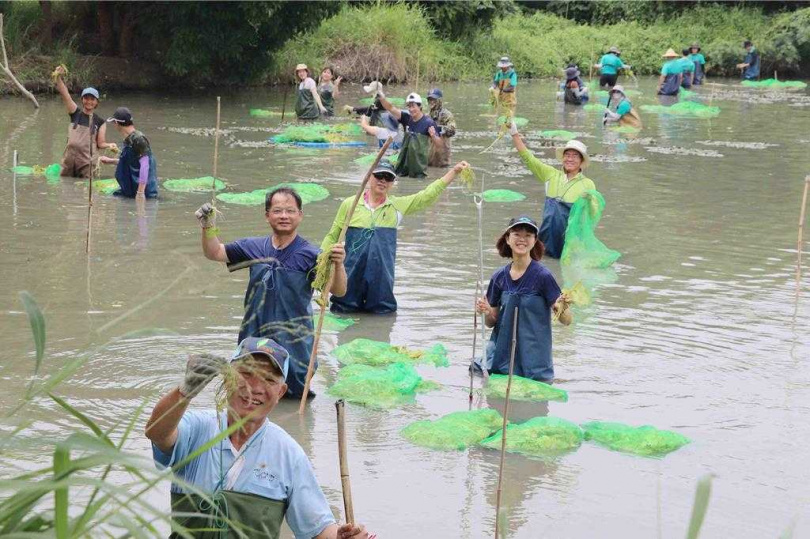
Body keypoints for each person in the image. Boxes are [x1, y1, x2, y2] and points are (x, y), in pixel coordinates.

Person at [145, 337, 370, 539]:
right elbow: (156, 432)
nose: (255, 388)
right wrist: (185, 392)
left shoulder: (288, 454)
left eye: (269, 379)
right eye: (246, 373)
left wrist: (341, 537)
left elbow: (318, 529)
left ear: (281, 392)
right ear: (226, 379)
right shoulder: (197, 428)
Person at [196, 188, 347, 398]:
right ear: (267, 216)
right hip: (253, 338)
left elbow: (338, 291)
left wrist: (338, 265)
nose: (284, 216)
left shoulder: (313, 256)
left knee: (291, 399)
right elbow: (215, 252)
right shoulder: (253, 247)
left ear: (300, 215)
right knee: (247, 397)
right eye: (277, 211)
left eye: (290, 211)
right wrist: (208, 226)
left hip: (295, 345)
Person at [322, 159, 468, 314]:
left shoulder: (397, 206)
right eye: (379, 176)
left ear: (393, 183)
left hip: (381, 279)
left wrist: (454, 172)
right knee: (342, 312)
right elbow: (332, 237)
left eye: (389, 177)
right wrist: (320, 269)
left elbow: (426, 196)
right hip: (349, 276)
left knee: (382, 318)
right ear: (369, 176)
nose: (383, 180)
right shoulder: (350, 204)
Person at [475, 216, 572, 383]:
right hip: (501, 362)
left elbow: (567, 320)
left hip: (535, 367)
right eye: (517, 234)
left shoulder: (543, 276)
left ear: (535, 241)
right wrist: (485, 311)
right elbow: (491, 322)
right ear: (507, 238)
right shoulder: (499, 277)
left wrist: (561, 307)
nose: (522, 239)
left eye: (528, 235)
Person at [509, 121, 596, 259]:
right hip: (546, 239)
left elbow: (591, 215)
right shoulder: (551, 175)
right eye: (567, 155)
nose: (570, 159)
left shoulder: (588, 184)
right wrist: (514, 134)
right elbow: (528, 158)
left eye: (575, 156)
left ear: (581, 161)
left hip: (570, 244)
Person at [52, 65, 115, 178]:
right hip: (69, 159)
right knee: (65, 186)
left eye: (92, 99)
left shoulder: (100, 122)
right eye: (86, 98)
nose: (89, 102)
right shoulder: (75, 112)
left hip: (88, 162)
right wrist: (58, 77)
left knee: (86, 189)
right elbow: (65, 94)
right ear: (82, 99)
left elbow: (100, 143)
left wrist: (109, 145)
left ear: (96, 102)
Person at [377, 89, 443, 178]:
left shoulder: (429, 123)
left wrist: (433, 136)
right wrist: (382, 98)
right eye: (409, 106)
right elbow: (391, 108)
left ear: (420, 107)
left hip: (418, 168)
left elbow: (439, 145)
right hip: (403, 166)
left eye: (413, 106)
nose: (411, 109)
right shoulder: (406, 118)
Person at [98, 107, 158, 200]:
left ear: (117, 123)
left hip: (144, 194)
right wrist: (111, 161)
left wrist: (140, 193)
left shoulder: (138, 139)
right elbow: (133, 162)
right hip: (129, 191)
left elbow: (145, 165)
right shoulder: (129, 140)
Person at [426, 88, 456, 168]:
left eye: (434, 99)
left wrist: (438, 129)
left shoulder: (447, 114)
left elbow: (452, 130)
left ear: (439, 100)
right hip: (429, 156)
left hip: (443, 155)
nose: (431, 102)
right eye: (430, 99)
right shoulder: (427, 116)